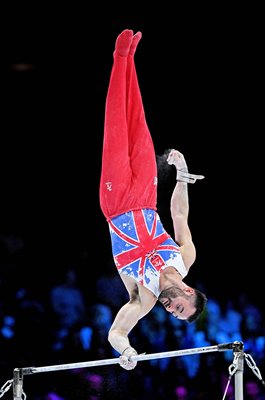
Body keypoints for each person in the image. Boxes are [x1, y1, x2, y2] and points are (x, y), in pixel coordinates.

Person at [99, 29, 207, 370]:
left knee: (117, 125)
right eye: (178, 308)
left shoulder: (142, 296)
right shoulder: (185, 257)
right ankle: (130, 58)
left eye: (174, 313)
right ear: (188, 292)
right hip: (147, 196)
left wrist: (125, 350)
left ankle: (119, 57)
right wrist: (184, 173)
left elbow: (117, 331)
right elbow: (179, 212)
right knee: (137, 121)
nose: (170, 310)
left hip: (116, 206)